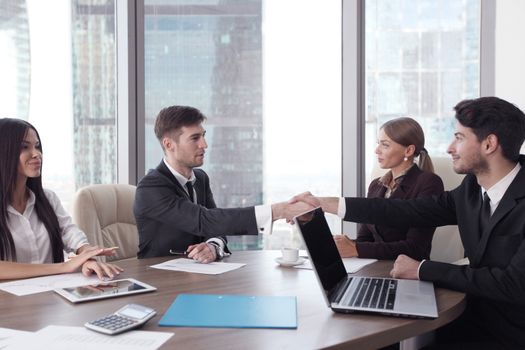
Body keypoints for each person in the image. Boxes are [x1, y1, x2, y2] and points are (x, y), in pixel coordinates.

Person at [291, 96, 525, 349]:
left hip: (511, 334)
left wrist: (423, 269)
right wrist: (328, 204)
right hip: (471, 318)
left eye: (459, 138)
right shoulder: (471, 189)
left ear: (489, 144)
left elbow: (513, 285)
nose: (449, 148)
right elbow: (408, 210)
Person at [134, 105, 309, 263]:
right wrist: (278, 211)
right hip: (159, 280)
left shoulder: (200, 178)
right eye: (195, 138)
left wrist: (213, 245)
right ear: (169, 144)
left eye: (203, 136)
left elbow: (216, 227)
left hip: (198, 276)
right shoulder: (151, 188)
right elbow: (205, 221)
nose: (204, 144)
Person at [0, 118, 123, 280]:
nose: (36, 154)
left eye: (37, 146)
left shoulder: (48, 198)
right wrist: (63, 267)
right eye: (24, 147)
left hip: (51, 295)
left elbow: (69, 232)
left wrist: (87, 256)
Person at [335, 117, 443, 260]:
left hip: (407, 272)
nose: (376, 150)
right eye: (378, 144)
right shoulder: (376, 185)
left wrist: (355, 248)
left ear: (409, 150)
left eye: (385, 145)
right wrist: (344, 244)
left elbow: (415, 248)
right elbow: (365, 239)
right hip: (374, 267)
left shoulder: (429, 183)